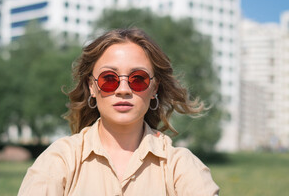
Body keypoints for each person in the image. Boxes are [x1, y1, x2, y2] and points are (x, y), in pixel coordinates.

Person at [18, 28, 220, 196]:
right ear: (92, 87)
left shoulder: (181, 166)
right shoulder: (59, 159)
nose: (123, 89)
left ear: (154, 88)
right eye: (109, 79)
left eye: (138, 79)